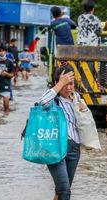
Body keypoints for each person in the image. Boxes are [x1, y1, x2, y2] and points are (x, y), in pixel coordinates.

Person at [39, 64, 79, 200]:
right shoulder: (53, 101)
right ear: (56, 83)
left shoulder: (77, 99)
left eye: (71, 84)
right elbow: (42, 103)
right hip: (55, 148)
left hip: (74, 149)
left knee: (61, 190)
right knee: (64, 191)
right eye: (64, 84)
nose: (68, 87)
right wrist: (58, 85)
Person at [0, 44, 15, 113]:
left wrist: (6, 74)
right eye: (0, 51)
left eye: (3, 51)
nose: (1, 52)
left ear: (6, 52)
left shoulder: (9, 62)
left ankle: (6, 122)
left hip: (6, 87)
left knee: (6, 107)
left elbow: (12, 75)